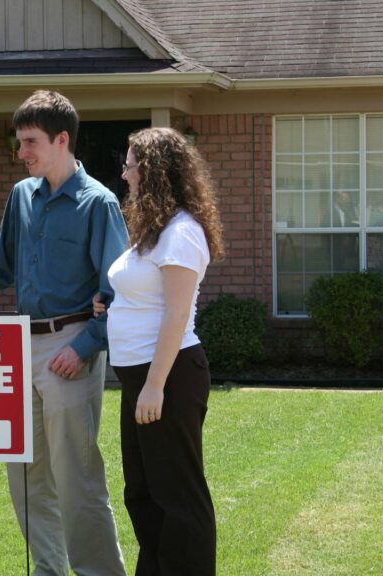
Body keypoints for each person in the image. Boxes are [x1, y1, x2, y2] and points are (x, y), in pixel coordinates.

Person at [0, 90, 128, 576]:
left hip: (69, 348)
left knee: (77, 477)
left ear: (62, 140)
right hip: (17, 347)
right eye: (19, 143)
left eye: (30, 142)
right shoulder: (22, 196)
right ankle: (48, 571)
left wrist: (84, 348)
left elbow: (118, 292)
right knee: (25, 477)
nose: (22, 153)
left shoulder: (98, 204)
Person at [94, 127, 223, 576]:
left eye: (130, 163)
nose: (124, 172)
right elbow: (146, 294)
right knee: (143, 493)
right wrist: (113, 302)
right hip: (140, 378)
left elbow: (176, 314)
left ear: (151, 171)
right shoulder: (155, 230)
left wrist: (154, 386)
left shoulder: (182, 232)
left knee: (178, 495)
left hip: (167, 376)